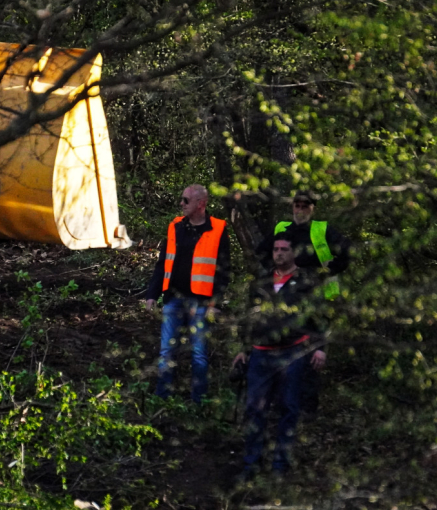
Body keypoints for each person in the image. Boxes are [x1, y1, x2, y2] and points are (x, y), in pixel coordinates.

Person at [233, 235, 326, 480]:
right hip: (261, 353)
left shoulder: (306, 282)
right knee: (255, 409)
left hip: (292, 352)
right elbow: (249, 316)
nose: (279, 253)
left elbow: (319, 317)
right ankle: (251, 464)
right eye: (276, 249)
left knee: (289, 407)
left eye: (285, 249)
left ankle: (280, 466)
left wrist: (319, 347)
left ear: (294, 253)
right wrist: (243, 348)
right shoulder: (262, 281)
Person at [144, 184, 231, 403]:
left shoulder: (218, 229)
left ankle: (198, 403)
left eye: (185, 200)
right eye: (182, 199)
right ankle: (161, 398)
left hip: (201, 302)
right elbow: (162, 262)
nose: (181, 204)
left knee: (199, 355)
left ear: (201, 204)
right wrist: (152, 294)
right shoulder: (175, 226)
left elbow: (223, 270)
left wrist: (215, 302)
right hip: (174, 298)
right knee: (166, 352)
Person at [255, 190, 350, 299]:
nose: (300, 210)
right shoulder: (281, 228)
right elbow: (261, 252)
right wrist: (274, 269)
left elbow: (347, 251)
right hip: (286, 290)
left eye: (305, 207)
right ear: (293, 207)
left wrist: (327, 272)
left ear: (313, 208)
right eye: (297, 206)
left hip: (317, 292)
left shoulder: (322, 229)